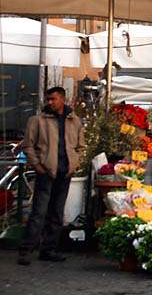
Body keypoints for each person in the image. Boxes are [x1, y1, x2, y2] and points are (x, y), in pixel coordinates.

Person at [17, 87, 85, 265]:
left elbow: (80, 145)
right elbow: (28, 145)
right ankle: (26, 250)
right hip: (46, 172)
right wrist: (38, 166)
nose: (49, 102)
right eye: (48, 99)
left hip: (65, 172)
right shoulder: (37, 120)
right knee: (39, 212)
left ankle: (49, 249)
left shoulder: (74, 120)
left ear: (62, 99)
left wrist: (75, 163)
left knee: (56, 212)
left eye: (53, 99)